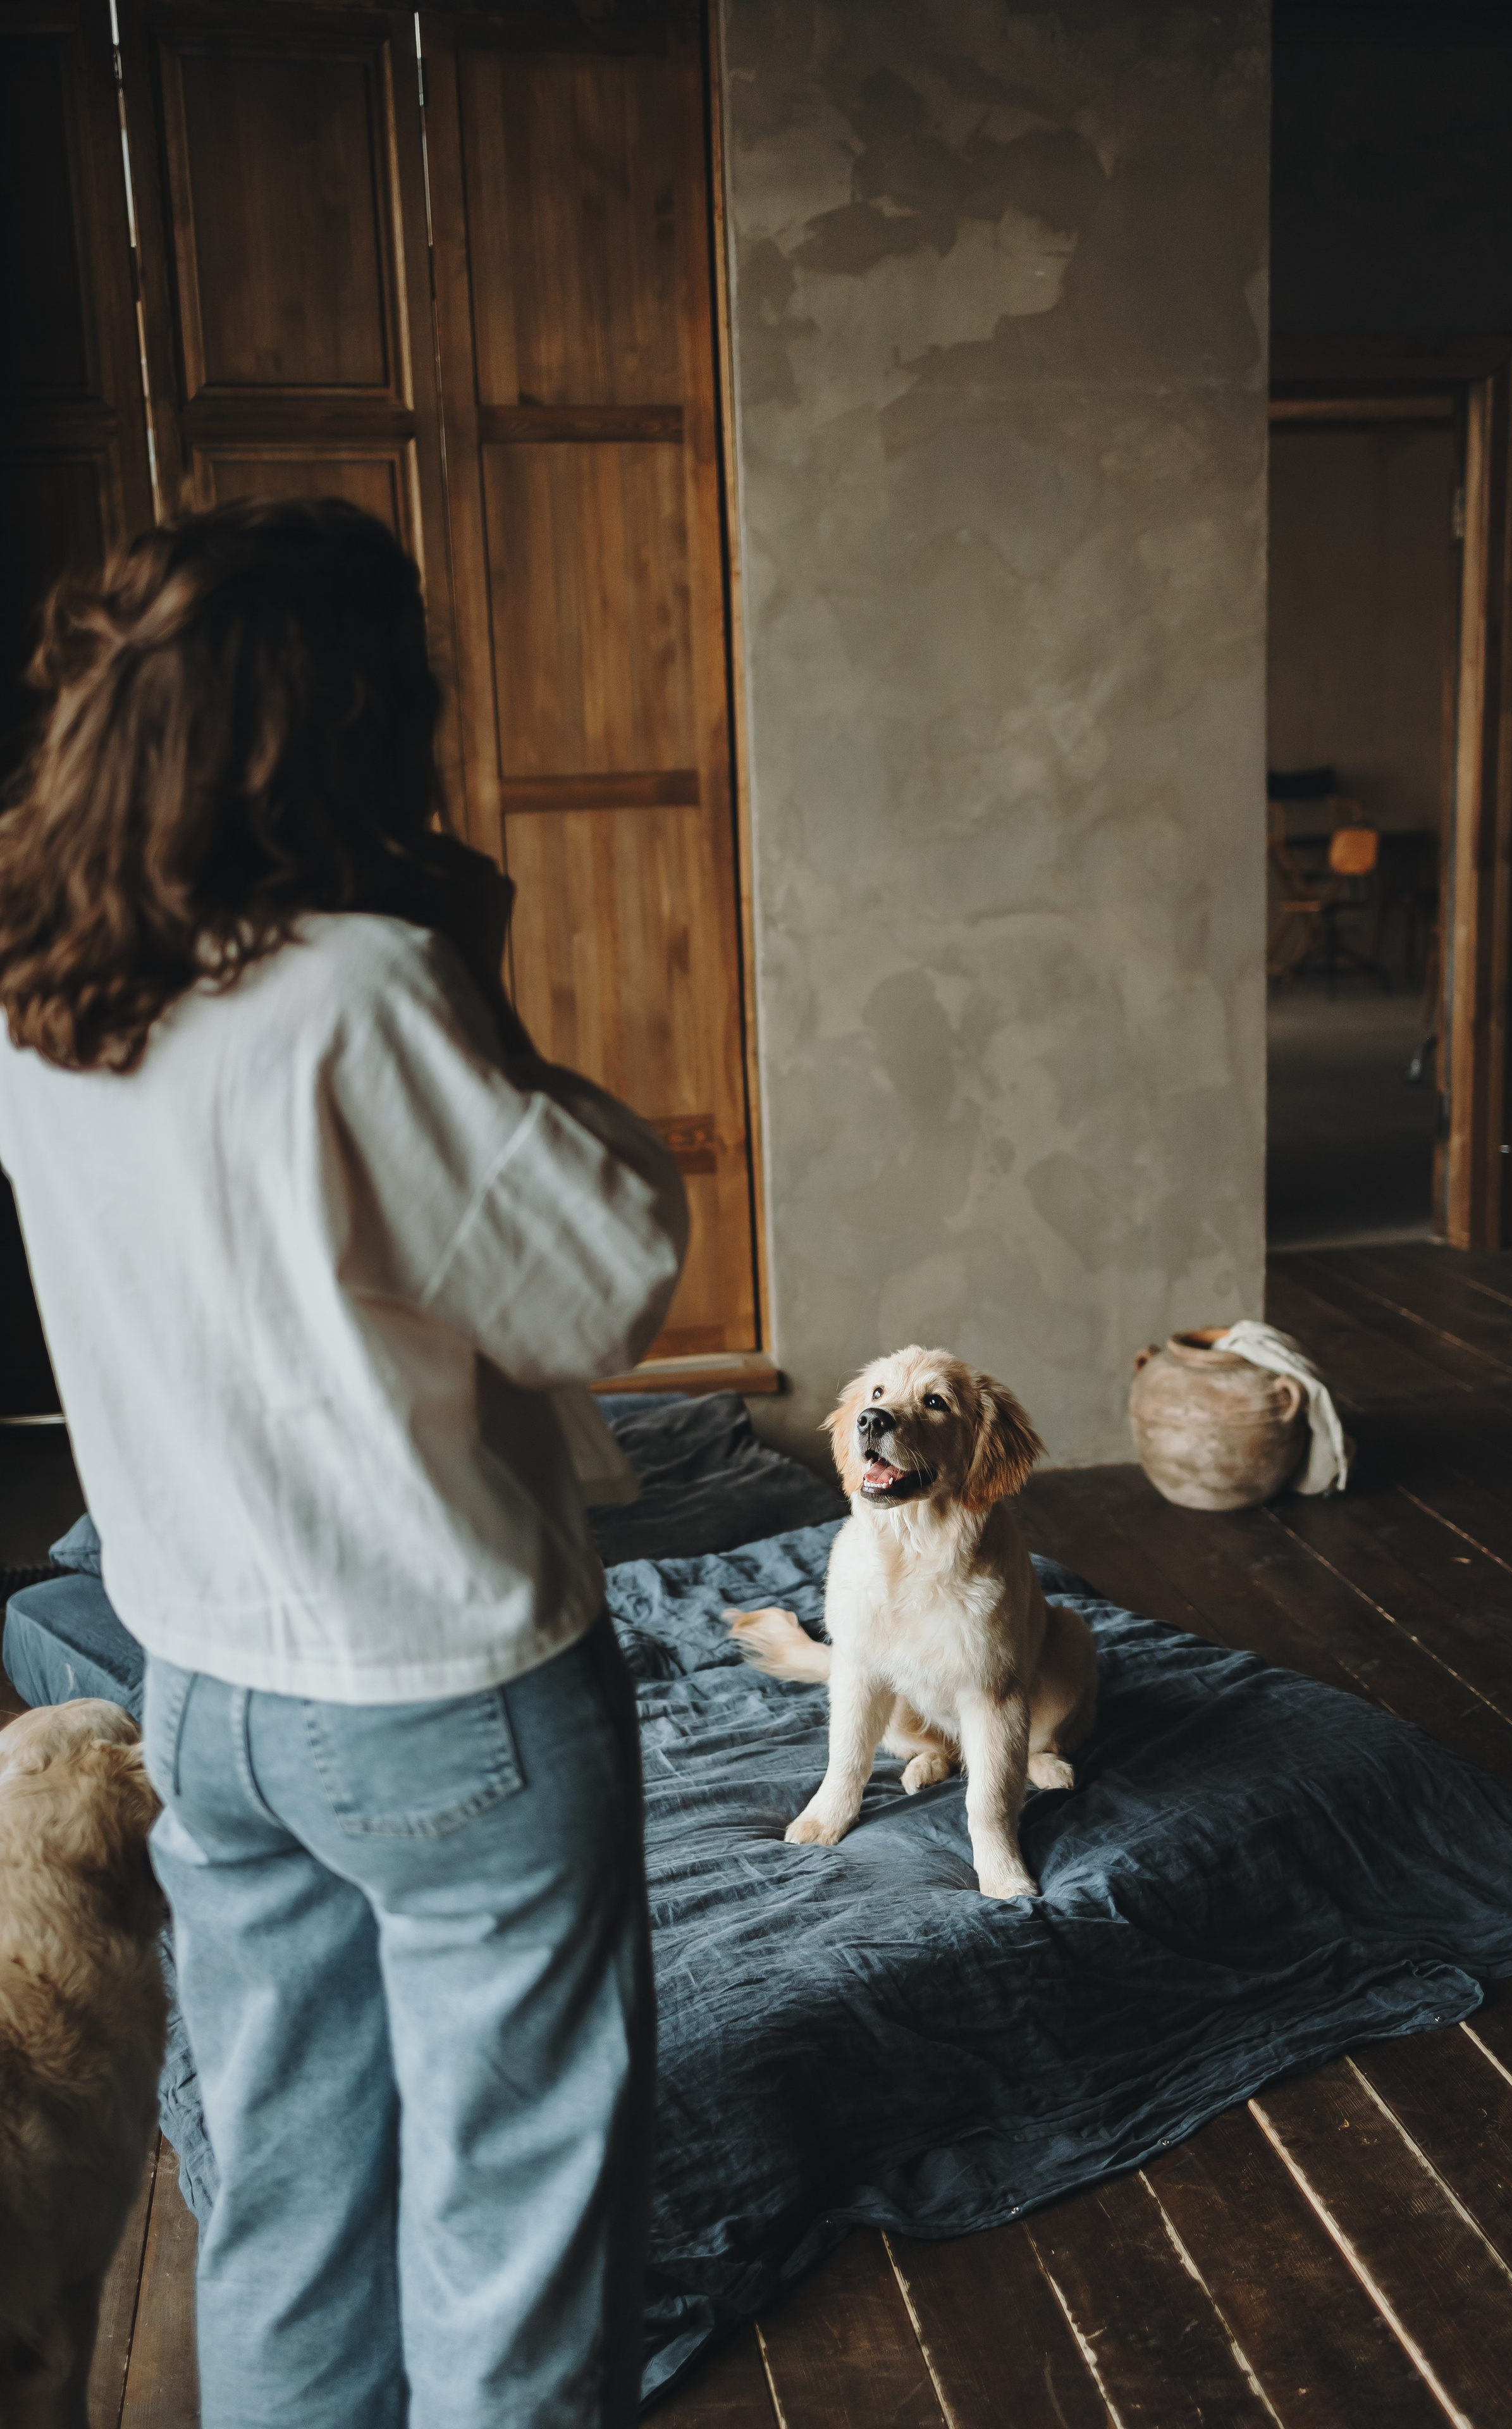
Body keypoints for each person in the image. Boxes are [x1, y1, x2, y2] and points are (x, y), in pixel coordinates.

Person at [0, 498, 687, 2428]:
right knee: (517, 2223)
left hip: (201, 1688)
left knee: (290, 2204)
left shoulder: (46, 999)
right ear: (349, 721)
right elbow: (602, 1292)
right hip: (443, 1697)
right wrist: (491, 995)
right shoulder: (366, 988)